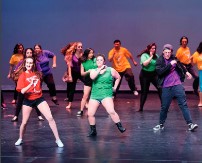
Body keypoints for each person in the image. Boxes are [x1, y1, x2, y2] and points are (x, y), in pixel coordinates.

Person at [15, 56, 64, 147]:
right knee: (24, 122)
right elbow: (22, 91)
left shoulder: (37, 74)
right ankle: (20, 138)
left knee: (50, 118)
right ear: (25, 64)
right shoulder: (22, 75)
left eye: (31, 63)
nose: (29, 64)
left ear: (33, 64)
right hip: (28, 100)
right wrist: (31, 84)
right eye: (27, 63)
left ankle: (58, 140)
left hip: (39, 98)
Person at [153, 44, 198, 132]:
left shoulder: (174, 58)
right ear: (163, 52)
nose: (167, 54)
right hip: (166, 86)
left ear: (171, 52)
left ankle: (190, 124)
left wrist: (186, 72)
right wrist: (170, 64)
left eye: (169, 52)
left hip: (177, 84)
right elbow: (160, 72)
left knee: (183, 104)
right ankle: (161, 124)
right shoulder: (159, 60)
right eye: (165, 52)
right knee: (164, 107)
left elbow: (181, 65)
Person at [87, 54, 126, 137]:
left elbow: (118, 77)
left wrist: (115, 87)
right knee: (90, 114)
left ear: (104, 61)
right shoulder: (93, 70)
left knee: (111, 111)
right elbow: (93, 77)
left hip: (106, 95)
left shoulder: (110, 70)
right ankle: (93, 131)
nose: (99, 61)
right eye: (97, 60)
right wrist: (100, 69)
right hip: (95, 95)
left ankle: (120, 126)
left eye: (101, 60)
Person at [11, 48, 44, 122]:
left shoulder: (35, 63)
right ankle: (16, 116)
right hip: (24, 86)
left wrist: (37, 80)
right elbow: (16, 71)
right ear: (25, 54)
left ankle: (39, 116)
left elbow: (40, 72)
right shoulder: (22, 62)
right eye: (27, 52)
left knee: (35, 100)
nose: (29, 54)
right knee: (20, 101)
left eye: (30, 52)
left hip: (32, 86)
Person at [137, 43, 161, 112]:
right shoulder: (144, 55)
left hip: (153, 75)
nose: (153, 50)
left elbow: (160, 64)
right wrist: (150, 57)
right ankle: (141, 108)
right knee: (144, 92)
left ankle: (164, 106)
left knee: (160, 88)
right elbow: (145, 64)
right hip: (145, 75)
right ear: (148, 49)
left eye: (154, 48)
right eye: (152, 48)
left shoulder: (156, 56)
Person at [61, 42, 84, 109]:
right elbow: (69, 66)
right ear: (76, 47)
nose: (80, 48)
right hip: (73, 73)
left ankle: (86, 102)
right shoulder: (71, 55)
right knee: (72, 89)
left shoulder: (83, 55)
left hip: (80, 72)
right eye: (79, 47)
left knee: (87, 84)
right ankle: (70, 103)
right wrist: (70, 76)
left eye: (81, 47)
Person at [77, 48, 97, 116]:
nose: (91, 54)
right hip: (88, 79)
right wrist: (88, 71)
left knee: (98, 96)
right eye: (90, 53)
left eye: (92, 53)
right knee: (85, 96)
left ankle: (109, 110)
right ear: (86, 54)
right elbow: (82, 73)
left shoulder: (95, 60)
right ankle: (81, 110)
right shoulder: (83, 62)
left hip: (96, 79)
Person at [192, 42, 202, 106]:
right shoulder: (197, 53)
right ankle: (201, 102)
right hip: (201, 71)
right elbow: (193, 63)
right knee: (201, 87)